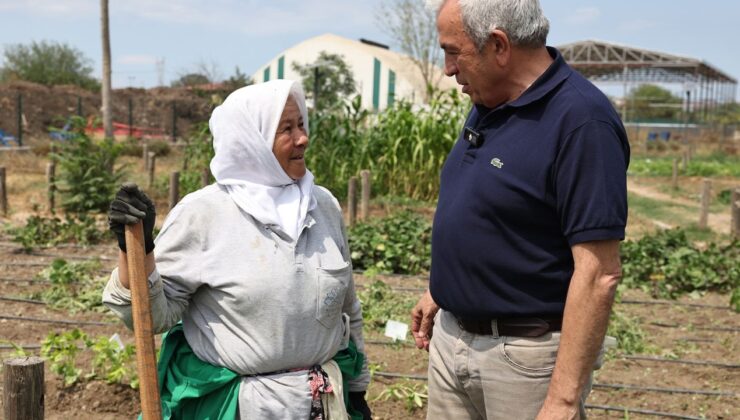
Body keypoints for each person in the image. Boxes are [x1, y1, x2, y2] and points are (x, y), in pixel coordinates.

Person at [103, 80, 372, 420]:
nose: (302, 137)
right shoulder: (204, 214)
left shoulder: (323, 206)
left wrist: (358, 390)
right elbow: (151, 316)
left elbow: (348, 308)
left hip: (321, 404)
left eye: (301, 123)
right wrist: (136, 250)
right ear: (252, 141)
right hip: (240, 408)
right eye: (286, 129)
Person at [411, 1, 630, 419]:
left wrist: (562, 401)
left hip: (522, 362)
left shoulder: (583, 122)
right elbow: (495, 212)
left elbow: (599, 272)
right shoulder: (489, 103)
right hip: (452, 341)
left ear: (498, 45)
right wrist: (444, 288)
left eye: (453, 51)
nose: (448, 69)